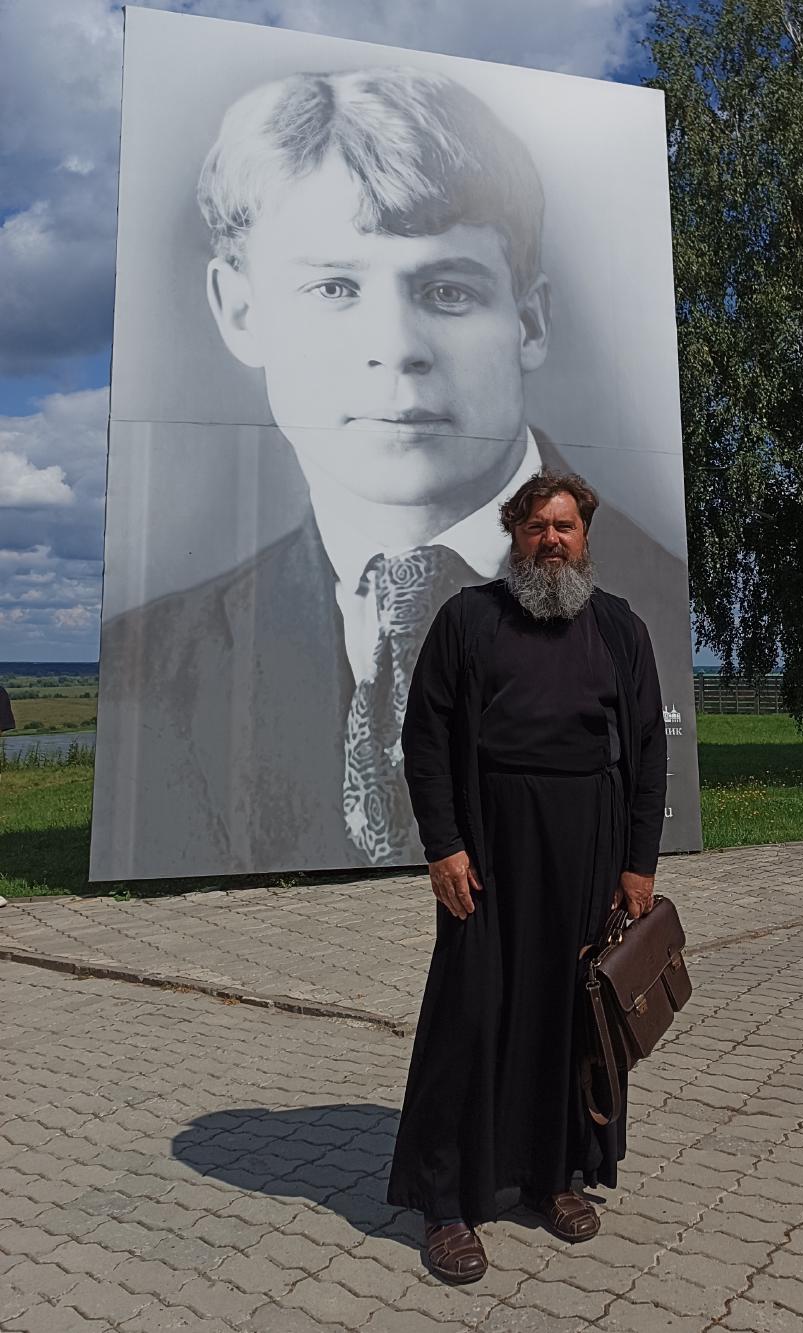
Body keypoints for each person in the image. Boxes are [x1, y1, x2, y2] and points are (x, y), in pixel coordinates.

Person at [95, 65, 691, 880]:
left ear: (529, 319)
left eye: (448, 290)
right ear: (241, 311)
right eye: (334, 285)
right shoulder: (153, 661)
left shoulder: (645, 605)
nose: (396, 347)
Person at [386, 470, 667, 1283]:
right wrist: (444, 847)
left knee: (568, 1020)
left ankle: (553, 1176)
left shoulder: (619, 629)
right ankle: (446, 1203)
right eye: (537, 526)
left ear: (586, 537)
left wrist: (638, 864)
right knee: (469, 1018)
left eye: (566, 526)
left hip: (588, 856)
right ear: (514, 535)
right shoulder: (469, 620)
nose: (552, 539)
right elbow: (427, 739)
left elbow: (649, 752)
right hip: (489, 857)